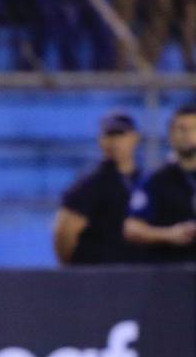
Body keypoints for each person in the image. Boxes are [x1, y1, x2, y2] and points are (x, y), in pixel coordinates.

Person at [53, 111, 145, 265]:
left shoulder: (146, 181)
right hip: (98, 272)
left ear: (135, 137)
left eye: (120, 134)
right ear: (101, 140)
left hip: (138, 272)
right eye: (109, 135)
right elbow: (64, 233)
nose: (114, 142)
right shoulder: (89, 185)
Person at [124, 104, 196, 262]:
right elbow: (132, 227)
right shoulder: (156, 180)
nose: (187, 135)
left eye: (193, 128)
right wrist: (169, 234)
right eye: (181, 129)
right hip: (172, 269)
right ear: (171, 134)